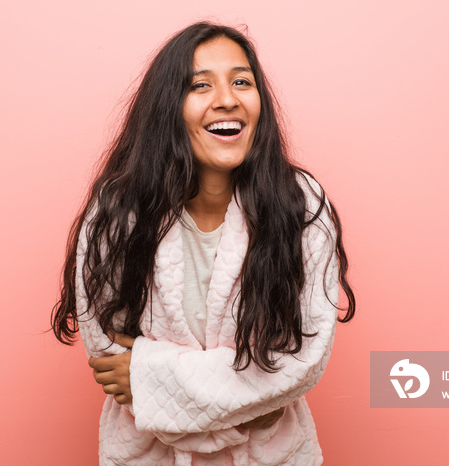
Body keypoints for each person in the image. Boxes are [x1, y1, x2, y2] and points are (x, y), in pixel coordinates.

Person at [51, 21, 355, 465]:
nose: (227, 99)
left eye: (241, 81)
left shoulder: (301, 205)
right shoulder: (118, 210)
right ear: (168, 107)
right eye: (200, 85)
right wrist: (243, 403)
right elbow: (111, 361)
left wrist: (153, 378)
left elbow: (301, 363)